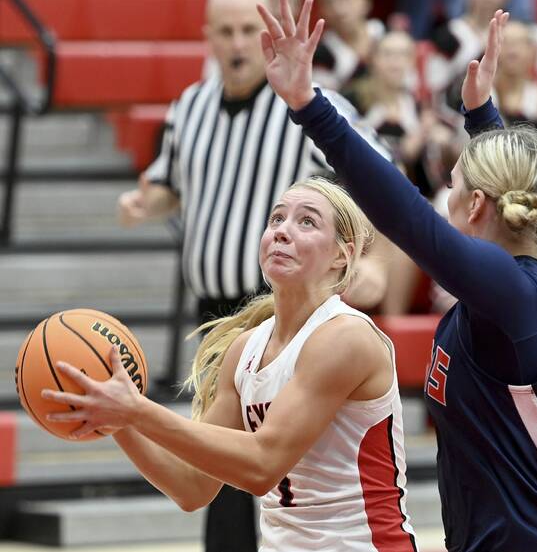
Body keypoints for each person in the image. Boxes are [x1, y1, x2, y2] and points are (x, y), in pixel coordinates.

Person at [258, 0, 537, 550]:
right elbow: (514, 186)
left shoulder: (511, 293)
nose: (443, 193)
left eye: (453, 184)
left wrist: (310, 107)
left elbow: (406, 216)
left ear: (475, 208)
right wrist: (482, 116)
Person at [116, 0, 390, 550]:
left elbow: (385, 186)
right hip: (223, 319)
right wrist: (147, 203)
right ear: (207, 38)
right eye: (227, 32)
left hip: (288, 304)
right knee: (219, 474)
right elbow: (171, 186)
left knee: (254, 466)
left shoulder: (313, 106)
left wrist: (376, 261)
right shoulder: (189, 104)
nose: (239, 44)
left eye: (250, 31)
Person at [43, 176, 418, 552]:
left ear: (342, 255)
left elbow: (261, 465)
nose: (283, 231)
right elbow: (192, 488)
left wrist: (137, 410)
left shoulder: (344, 337)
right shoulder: (245, 349)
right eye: (276, 219)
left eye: (307, 221)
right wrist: (119, 421)